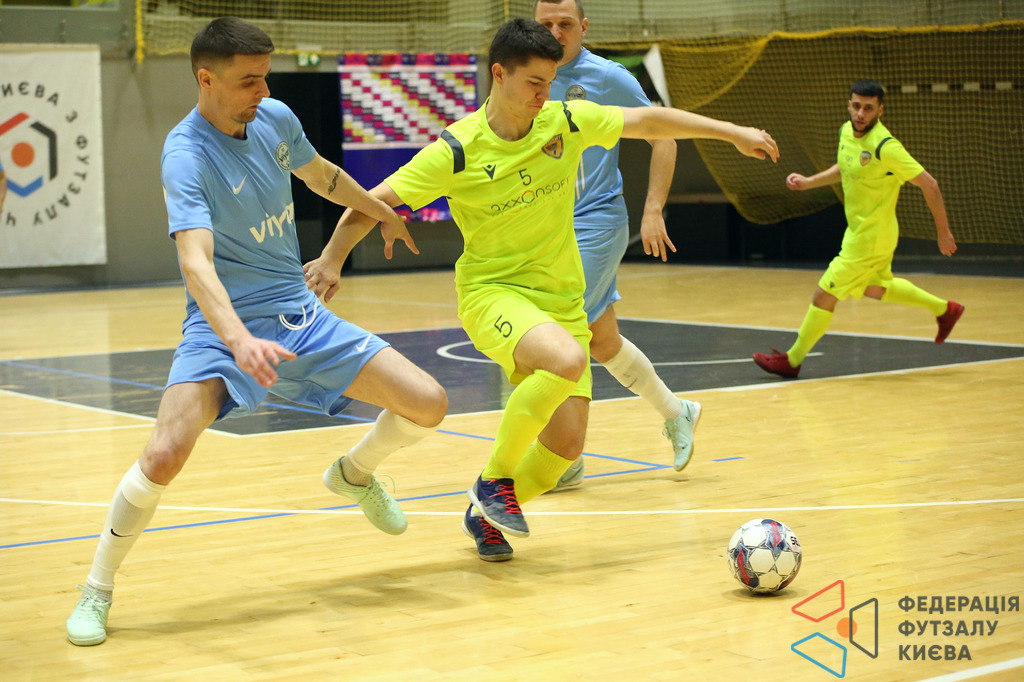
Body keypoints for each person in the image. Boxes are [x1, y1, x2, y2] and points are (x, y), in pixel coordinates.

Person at [303, 18, 777, 561]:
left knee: (564, 449)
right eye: (533, 83)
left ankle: (483, 515)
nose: (543, 95)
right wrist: (332, 258)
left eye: (549, 83)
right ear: (499, 74)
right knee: (567, 358)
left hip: (561, 302)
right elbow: (371, 202)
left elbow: (647, 120)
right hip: (493, 295)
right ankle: (494, 482)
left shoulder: (564, 122)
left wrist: (732, 132)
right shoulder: (457, 150)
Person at [65, 17, 448, 646]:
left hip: (298, 313)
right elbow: (195, 263)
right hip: (222, 329)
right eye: (249, 81)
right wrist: (239, 339)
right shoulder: (186, 155)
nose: (263, 91)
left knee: (428, 403)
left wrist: (380, 209)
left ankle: (355, 474)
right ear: (206, 79)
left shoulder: (274, 118)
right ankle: (97, 588)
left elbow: (321, 175)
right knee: (164, 453)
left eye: (266, 77)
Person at [534, 0, 700, 487]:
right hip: (547, 228)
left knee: (562, 335)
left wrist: (653, 210)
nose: (556, 31)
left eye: (565, 24)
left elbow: (665, 136)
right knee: (602, 339)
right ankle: (677, 411)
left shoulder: (607, 77)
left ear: (584, 28)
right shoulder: (526, 76)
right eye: (546, 23)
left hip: (596, 222)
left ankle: (564, 457)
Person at [753, 79, 963, 379]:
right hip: (863, 232)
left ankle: (792, 360)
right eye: (856, 106)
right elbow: (846, 167)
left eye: (868, 108)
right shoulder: (845, 131)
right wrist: (809, 182)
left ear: (880, 110)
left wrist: (943, 232)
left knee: (824, 294)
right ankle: (945, 309)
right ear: (849, 105)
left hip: (870, 238)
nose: (860, 113)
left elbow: (930, 184)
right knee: (874, 287)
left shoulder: (885, 146)